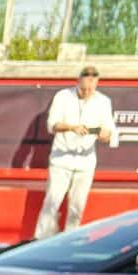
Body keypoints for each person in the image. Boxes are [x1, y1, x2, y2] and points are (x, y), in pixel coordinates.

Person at [37, 65, 117, 237]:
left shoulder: (103, 101)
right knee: (51, 203)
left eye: (91, 87)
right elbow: (52, 125)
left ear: (97, 83)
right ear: (78, 81)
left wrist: (103, 134)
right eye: (84, 87)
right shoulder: (63, 96)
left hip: (85, 161)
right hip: (61, 159)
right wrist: (71, 127)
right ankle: (42, 239)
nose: (87, 91)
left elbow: (109, 133)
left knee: (77, 207)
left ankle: (70, 240)